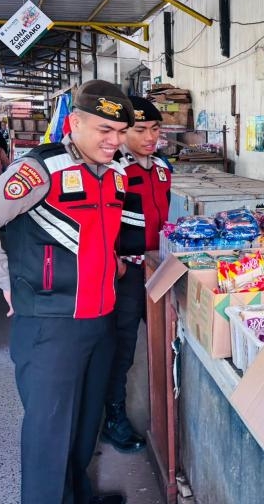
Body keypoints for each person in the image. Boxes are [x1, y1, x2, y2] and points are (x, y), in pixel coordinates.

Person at [0, 80, 135, 504]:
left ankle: (79, 496)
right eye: (103, 130)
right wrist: (6, 282)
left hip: (99, 319)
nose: (114, 141)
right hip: (51, 325)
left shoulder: (114, 174)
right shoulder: (41, 170)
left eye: (120, 132)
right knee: (49, 434)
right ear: (74, 124)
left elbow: (93, 240)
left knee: (84, 424)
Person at [101, 96, 170, 453]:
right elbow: (98, 224)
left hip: (158, 269)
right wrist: (113, 260)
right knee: (122, 348)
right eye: (140, 129)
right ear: (124, 132)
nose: (149, 137)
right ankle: (114, 418)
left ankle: (165, 413)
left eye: (155, 129)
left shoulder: (160, 168)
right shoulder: (112, 170)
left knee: (164, 341)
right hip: (125, 273)